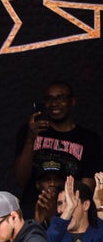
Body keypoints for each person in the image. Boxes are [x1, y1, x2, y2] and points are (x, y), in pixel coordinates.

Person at [13, 81, 101, 215]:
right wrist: (30, 139)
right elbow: (21, 179)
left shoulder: (88, 139)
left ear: (72, 101)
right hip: (32, 211)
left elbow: (87, 187)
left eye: (60, 98)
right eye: (49, 99)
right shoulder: (30, 131)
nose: (54, 103)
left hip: (69, 213)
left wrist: (73, 211)